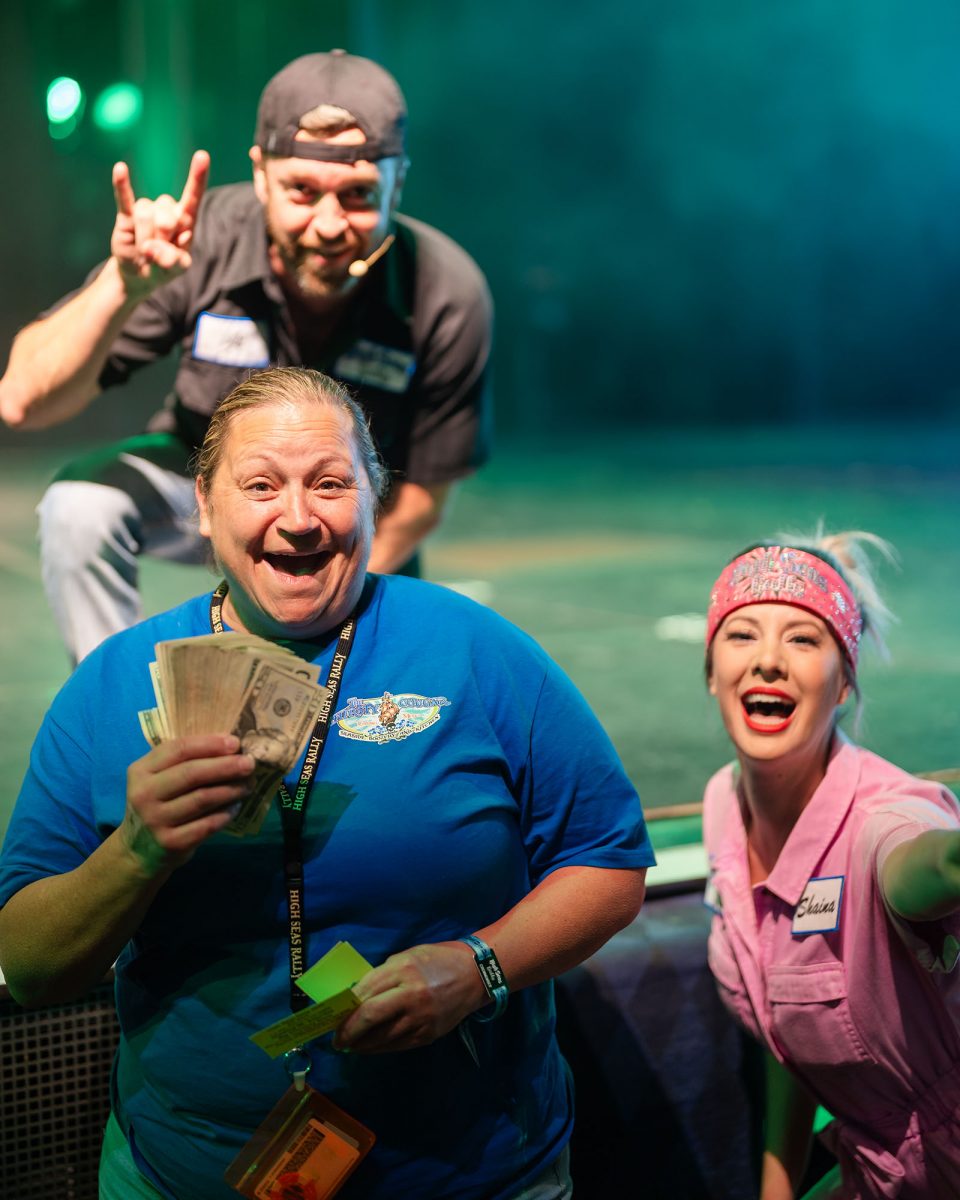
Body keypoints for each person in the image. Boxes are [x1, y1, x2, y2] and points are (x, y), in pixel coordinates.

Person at [0, 367, 652, 1200]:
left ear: (375, 502)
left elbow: (609, 862)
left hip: (470, 1174)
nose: (299, 518)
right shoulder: (111, 683)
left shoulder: (476, 650)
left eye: (331, 484)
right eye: (260, 485)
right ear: (204, 506)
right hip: (183, 1174)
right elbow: (30, 968)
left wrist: (478, 968)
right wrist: (136, 851)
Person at [0, 49, 492, 664]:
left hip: (346, 524)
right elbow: (20, 401)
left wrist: (313, 611)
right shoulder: (196, 240)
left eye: (359, 194)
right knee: (79, 507)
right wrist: (120, 288)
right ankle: (114, 698)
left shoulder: (446, 292)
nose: (329, 225)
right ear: (260, 175)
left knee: (373, 699)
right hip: (203, 485)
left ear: (398, 182)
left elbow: (420, 499)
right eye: (302, 191)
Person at [701, 533, 960, 1199]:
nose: (767, 660)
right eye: (743, 634)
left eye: (802, 639)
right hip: (873, 1171)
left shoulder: (885, 822)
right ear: (711, 673)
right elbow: (787, 1024)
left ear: (844, 682)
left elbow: (931, 863)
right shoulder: (722, 805)